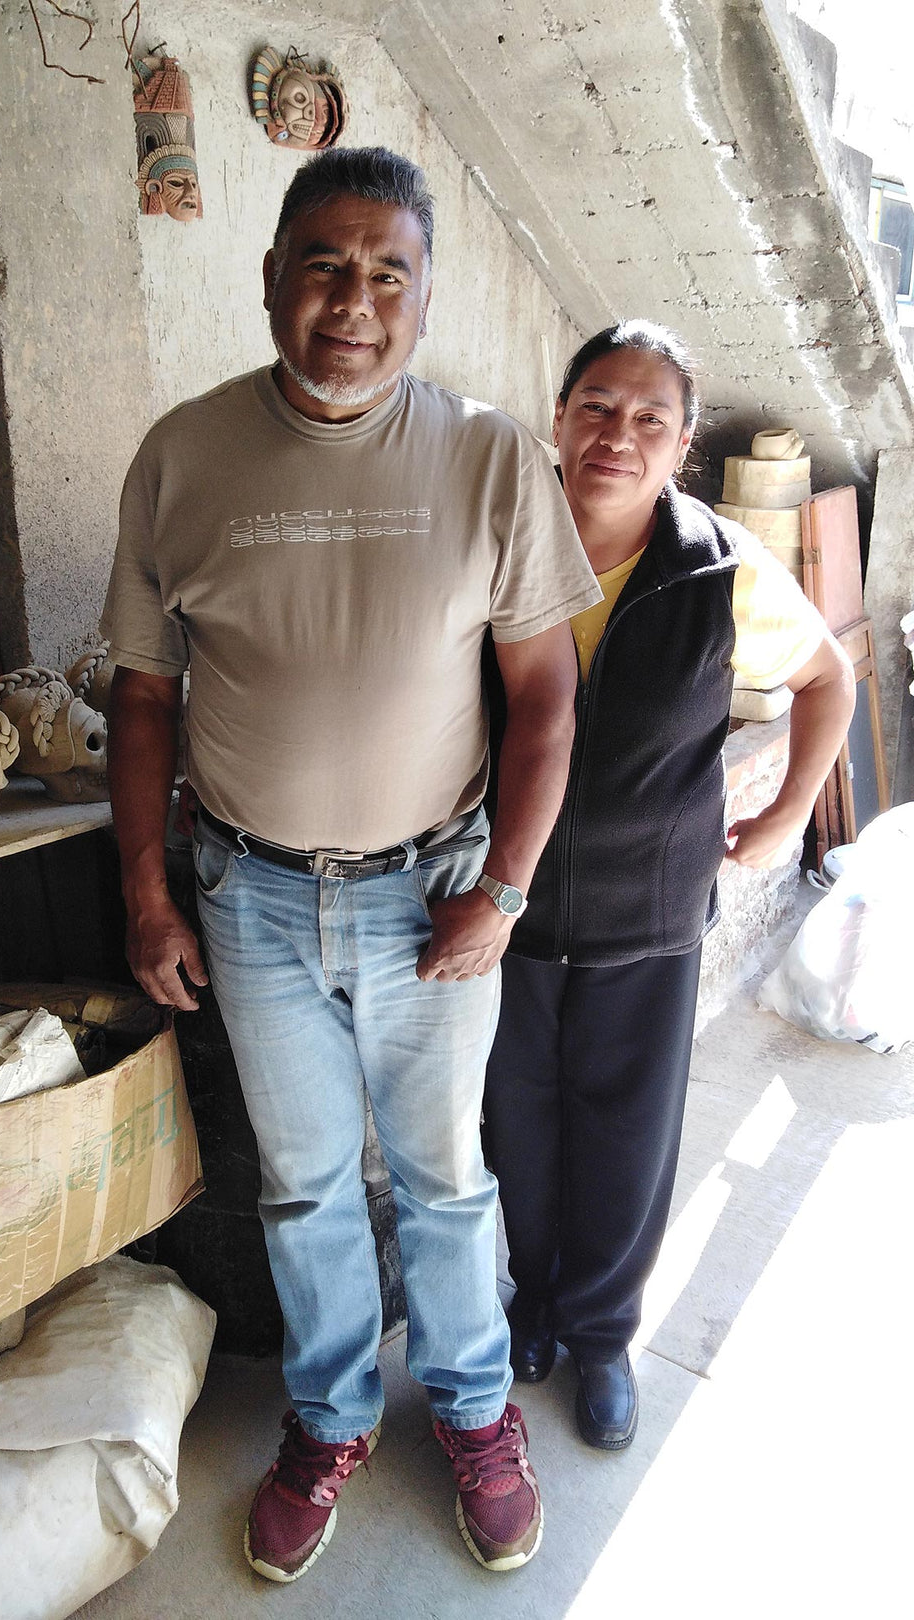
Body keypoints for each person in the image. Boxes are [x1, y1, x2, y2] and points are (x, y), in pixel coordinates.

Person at [101, 146, 600, 1580]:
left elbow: (546, 700)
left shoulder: (489, 457)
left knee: (444, 1177)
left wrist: (502, 892)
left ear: (426, 296)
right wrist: (148, 889)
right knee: (304, 1184)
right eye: (324, 265)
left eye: (389, 273)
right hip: (248, 897)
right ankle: (328, 1421)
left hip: (433, 891)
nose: (353, 303)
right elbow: (142, 695)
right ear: (272, 278)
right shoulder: (183, 456)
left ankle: (474, 1410)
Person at [483, 319, 856, 1452]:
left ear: (682, 445)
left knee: (627, 1136)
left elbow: (828, 678)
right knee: (516, 1124)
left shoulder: (717, 569)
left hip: (645, 916)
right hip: (500, 910)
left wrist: (787, 814)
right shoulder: (494, 542)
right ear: (558, 417)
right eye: (597, 406)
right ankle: (531, 1306)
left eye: (651, 418)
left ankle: (600, 1337)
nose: (618, 434)